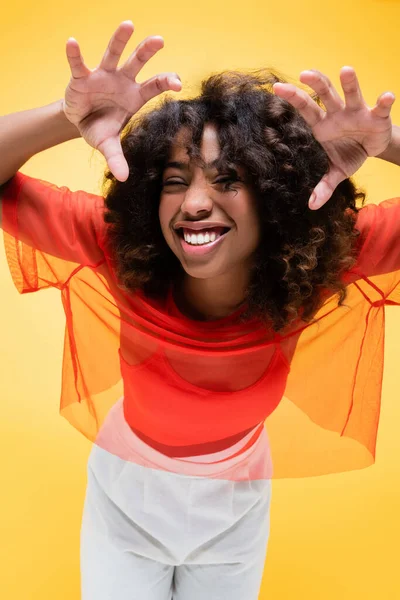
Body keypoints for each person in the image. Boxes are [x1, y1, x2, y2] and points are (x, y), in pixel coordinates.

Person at [1, 19, 399, 600]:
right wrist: (65, 120)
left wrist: (387, 144)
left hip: (237, 508)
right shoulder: (120, 249)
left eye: (228, 179)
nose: (192, 203)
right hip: (125, 497)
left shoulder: (317, 262)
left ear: (276, 193)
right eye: (174, 179)